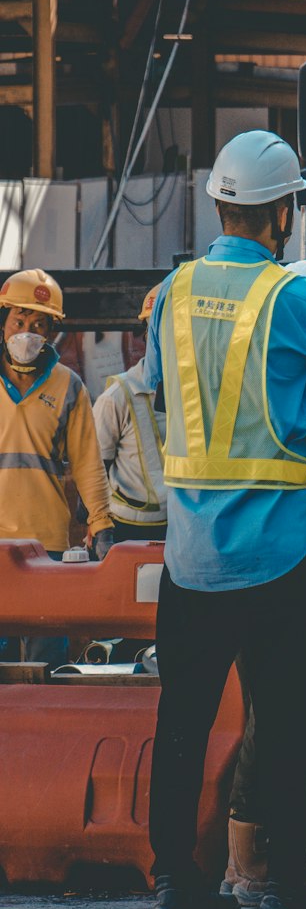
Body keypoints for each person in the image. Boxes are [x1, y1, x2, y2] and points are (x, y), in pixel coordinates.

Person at [143, 130, 306, 909]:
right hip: (279, 553)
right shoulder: (293, 297)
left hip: (190, 556)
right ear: (283, 211)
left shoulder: (173, 294)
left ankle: (174, 886)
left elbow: (160, 388)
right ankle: (284, 892)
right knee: (293, 720)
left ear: (221, 204)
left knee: (184, 723)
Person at [219, 259, 306, 909]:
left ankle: (270, 865)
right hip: (276, 573)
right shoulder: (280, 415)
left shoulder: (297, 409)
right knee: (274, 724)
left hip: (298, 571)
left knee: (296, 721)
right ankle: (248, 871)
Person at [0, 268, 114, 669]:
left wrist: (100, 524)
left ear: (51, 333)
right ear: (4, 321)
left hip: (45, 544)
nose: (27, 331)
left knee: (41, 662)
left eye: (39, 324)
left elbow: (87, 462)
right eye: (19, 320)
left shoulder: (69, 386)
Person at [93, 287, 166, 541]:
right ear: (146, 335)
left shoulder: (197, 394)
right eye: (158, 330)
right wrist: (99, 529)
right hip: (127, 528)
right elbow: (95, 468)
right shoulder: (118, 396)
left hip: (182, 526)